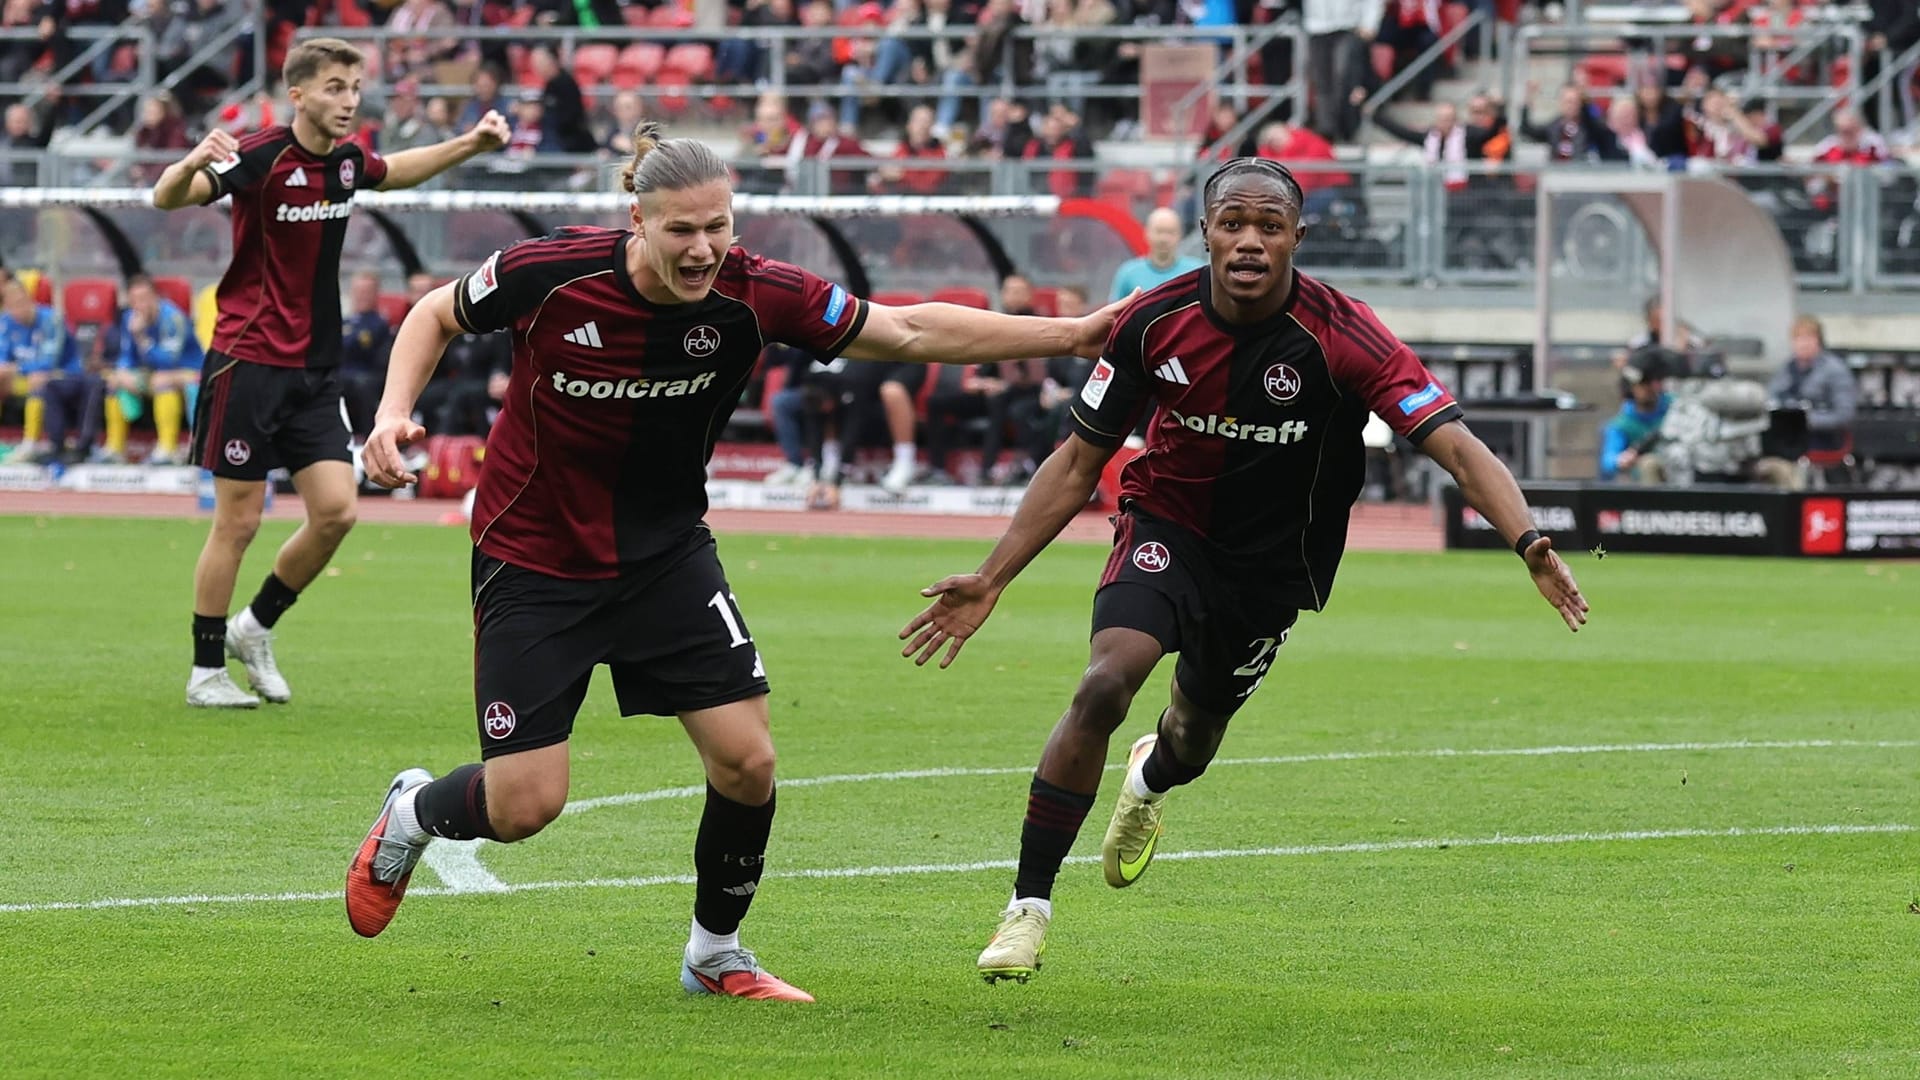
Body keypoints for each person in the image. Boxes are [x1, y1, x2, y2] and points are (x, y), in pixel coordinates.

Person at [344, 122, 1131, 1002]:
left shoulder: (759, 293)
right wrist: (390, 412)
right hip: (536, 560)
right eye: (682, 229)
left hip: (667, 559)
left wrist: (1066, 336)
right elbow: (435, 313)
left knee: (748, 761)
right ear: (635, 217)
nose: (704, 247)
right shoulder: (552, 271)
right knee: (525, 805)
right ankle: (413, 811)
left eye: (719, 225)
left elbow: (904, 331)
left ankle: (715, 952)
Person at [896, 157, 1590, 983]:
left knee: (1192, 737)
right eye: (1233, 223)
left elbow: (1455, 445)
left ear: (1298, 235)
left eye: (1269, 226)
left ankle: (1151, 778)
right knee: (1105, 682)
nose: (1250, 240)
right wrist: (994, 575)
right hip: (1168, 527)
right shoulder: (1153, 321)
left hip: (1269, 568)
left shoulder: (1345, 335)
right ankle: (1027, 908)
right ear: (1206, 234)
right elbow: (1079, 459)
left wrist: (1527, 541)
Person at [149, 36, 510, 709]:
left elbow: (395, 169)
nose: (349, 100)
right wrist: (189, 160)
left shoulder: (345, 163)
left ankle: (252, 628)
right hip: (247, 362)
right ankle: (205, 671)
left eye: (353, 87)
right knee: (239, 521)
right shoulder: (258, 156)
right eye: (335, 88)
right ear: (299, 94)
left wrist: (469, 145)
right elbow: (169, 198)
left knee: (339, 511)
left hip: (315, 368)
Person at [106, 273, 205, 464]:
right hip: (154, 374)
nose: (140, 305)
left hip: (188, 372)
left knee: (163, 384)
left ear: (155, 298)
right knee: (114, 382)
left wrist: (142, 338)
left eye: (144, 299)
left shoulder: (172, 318)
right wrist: (123, 373)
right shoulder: (129, 318)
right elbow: (127, 356)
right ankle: (115, 449)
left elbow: (169, 360)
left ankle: (168, 449)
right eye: (134, 300)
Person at [1598, 352, 1671, 482]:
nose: (1648, 388)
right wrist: (1621, 460)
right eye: (1642, 384)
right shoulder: (1622, 424)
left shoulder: (1673, 408)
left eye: (1650, 382)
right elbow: (1608, 460)